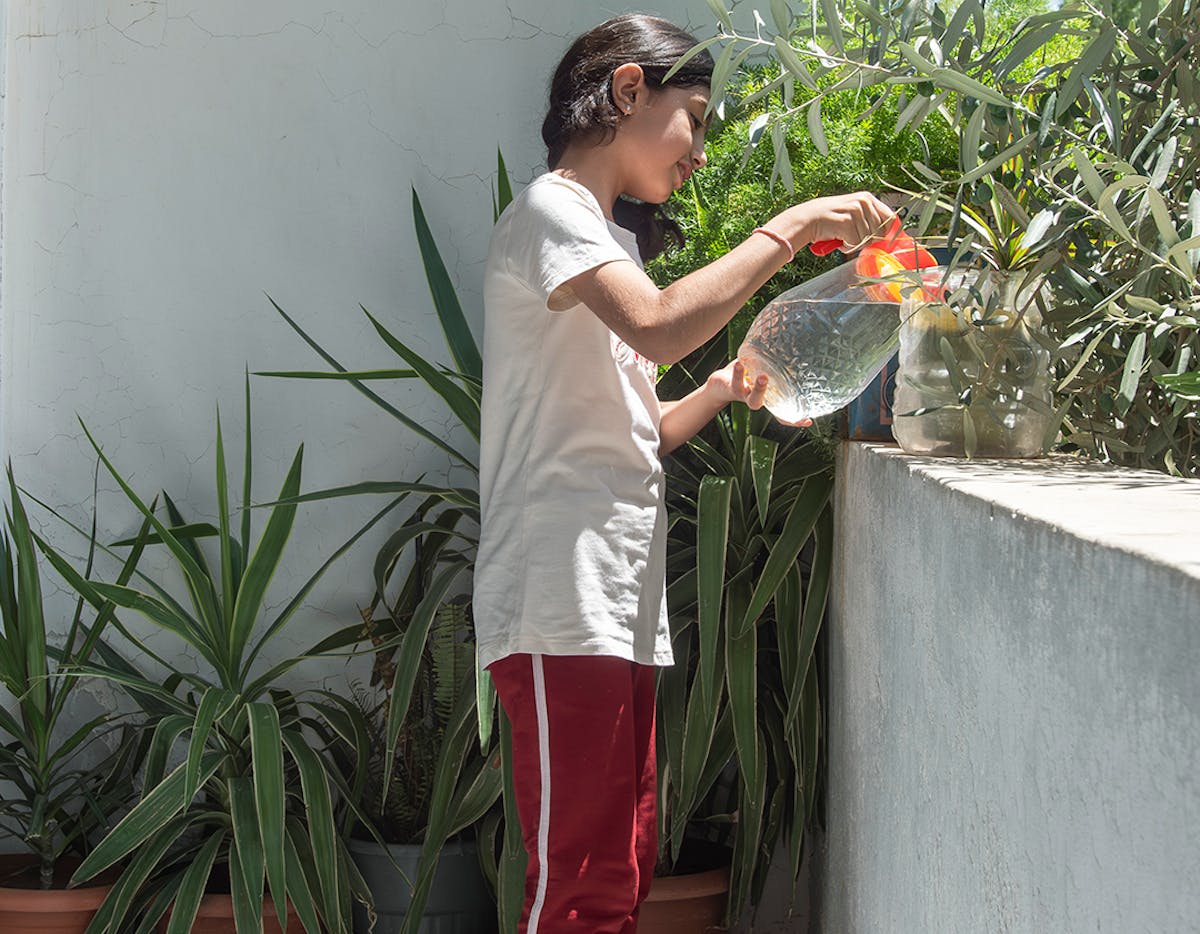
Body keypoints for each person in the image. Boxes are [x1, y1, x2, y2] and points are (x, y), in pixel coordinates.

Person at [472, 13, 895, 934]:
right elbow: (660, 323)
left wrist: (722, 387)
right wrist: (790, 227)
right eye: (694, 118)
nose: (699, 151)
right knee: (577, 884)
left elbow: (639, 430)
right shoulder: (552, 213)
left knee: (620, 872)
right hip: (558, 596)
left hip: (614, 601)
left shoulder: (606, 244)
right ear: (628, 91)